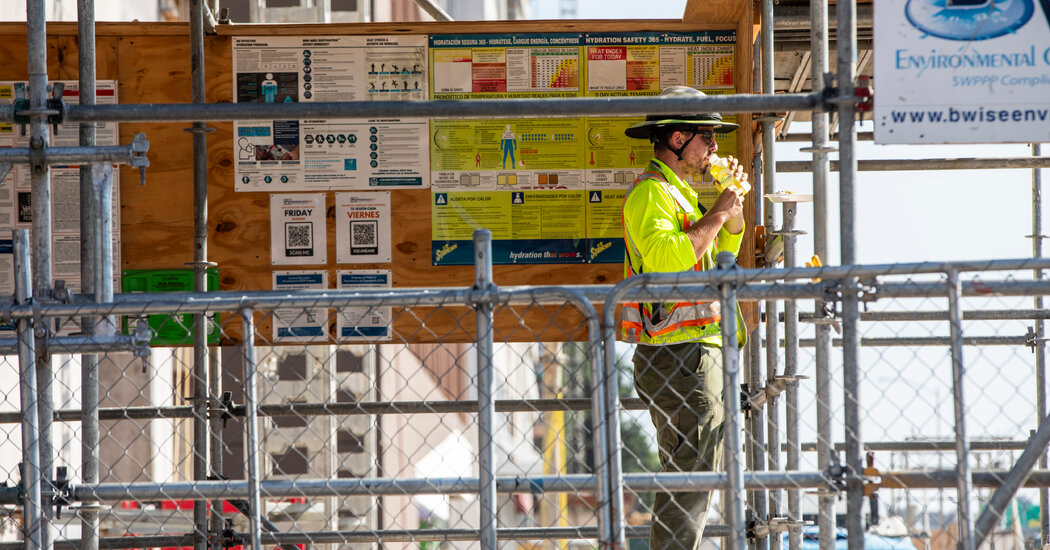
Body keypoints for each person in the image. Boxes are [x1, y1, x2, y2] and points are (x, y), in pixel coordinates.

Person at [621, 85, 748, 550]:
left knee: (692, 475)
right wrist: (716, 214)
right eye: (707, 138)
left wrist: (728, 216)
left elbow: (720, 260)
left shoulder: (679, 198)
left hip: (688, 354)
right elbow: (665, 258)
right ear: (677, 138)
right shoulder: (652, 193)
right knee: (691, 479)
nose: (715, 148)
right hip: (679, 356)